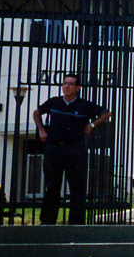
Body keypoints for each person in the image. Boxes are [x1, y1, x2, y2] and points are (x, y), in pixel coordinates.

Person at [32, 73, 112, 225]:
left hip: (75, 150)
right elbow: (36, 113)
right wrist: (42, 129)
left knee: (77, 186)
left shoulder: (84, 105)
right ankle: (47, 222)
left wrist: (91, 125)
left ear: (78, 87)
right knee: (52, 186)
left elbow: (107, 113)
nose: (66, 86)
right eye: (64, 83)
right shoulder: (54, 102)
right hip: (54, 149)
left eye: (70, 84)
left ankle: (76, 223)